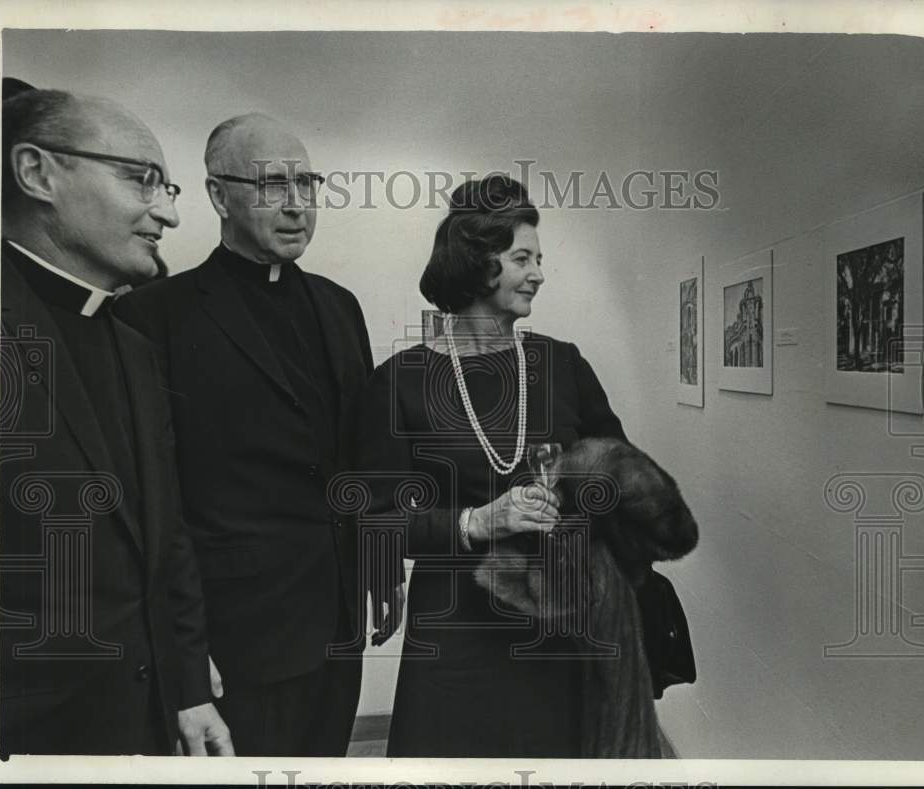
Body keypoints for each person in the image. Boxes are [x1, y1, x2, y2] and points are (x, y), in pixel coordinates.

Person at [115, 113, 401, 756]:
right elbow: (152, 502)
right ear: (219, 196)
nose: (297, 205)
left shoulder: (339, 304)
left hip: (338, 623)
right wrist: (183, 649)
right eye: (273, 185)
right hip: (234, 635)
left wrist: (383, 561)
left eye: (307, 184)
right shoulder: (152, 314)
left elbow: (361, 455)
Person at [355, 174, 633, 757]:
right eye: (522, 259)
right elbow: (377, 521)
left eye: (539, 259)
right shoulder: (400, 381)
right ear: (478, 266)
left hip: (557, 623)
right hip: (455, 634)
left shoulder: (563, 364)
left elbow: (618, 477)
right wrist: (480, 520)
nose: (539, 274)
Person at [0, 88, 232, 756]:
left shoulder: (133, 345)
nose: (169, 213)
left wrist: (188, 686)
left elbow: (165, 533)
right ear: (37, 173)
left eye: (168, 188)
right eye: (141, 179)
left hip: (143, 724)